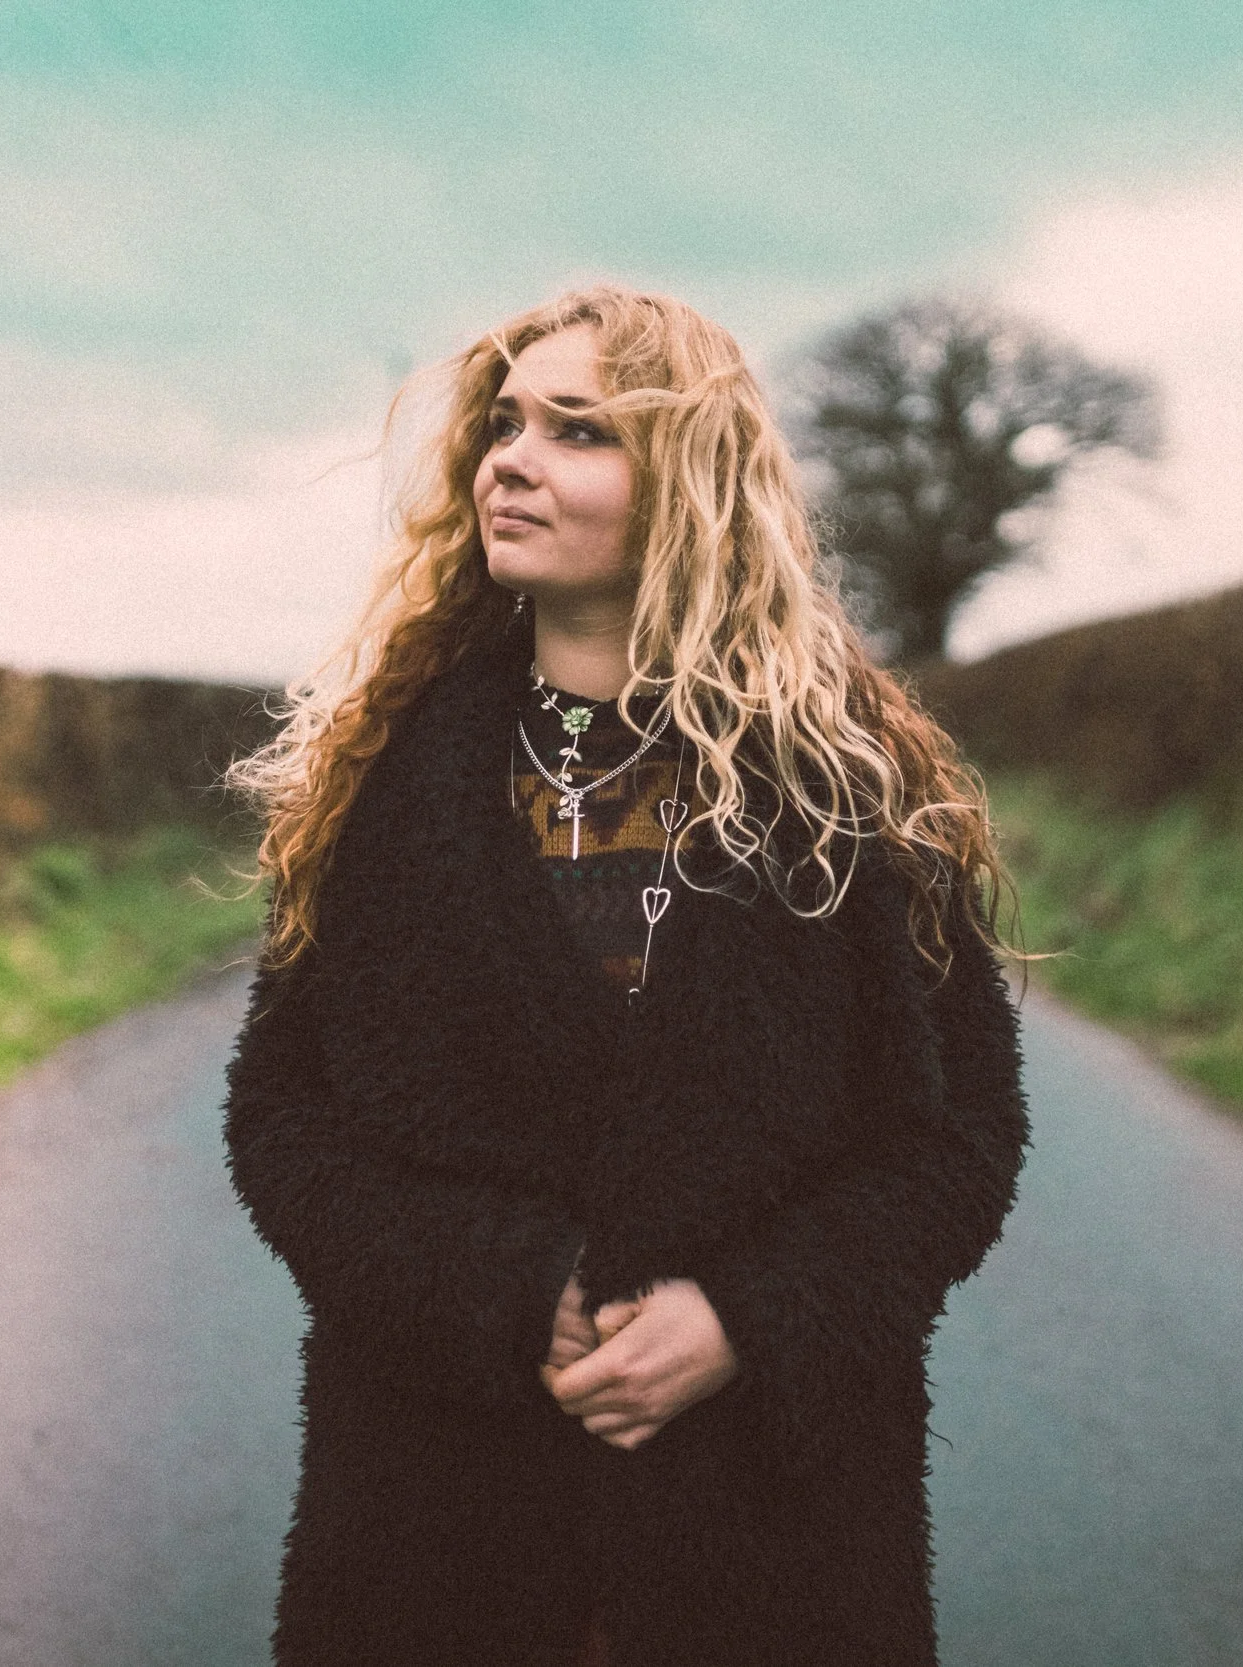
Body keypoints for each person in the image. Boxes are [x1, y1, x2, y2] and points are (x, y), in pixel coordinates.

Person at [221, 283, 1029, 1667]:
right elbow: (281, 1120)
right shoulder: (387, 785)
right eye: (506, 424)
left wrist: (753, 1318)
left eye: (578, 430)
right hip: (437, 1527)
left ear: (692, 487)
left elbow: (960, 1135)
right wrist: (495, 1285)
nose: (508, 460)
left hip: (772, 1543)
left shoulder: (849, 790)